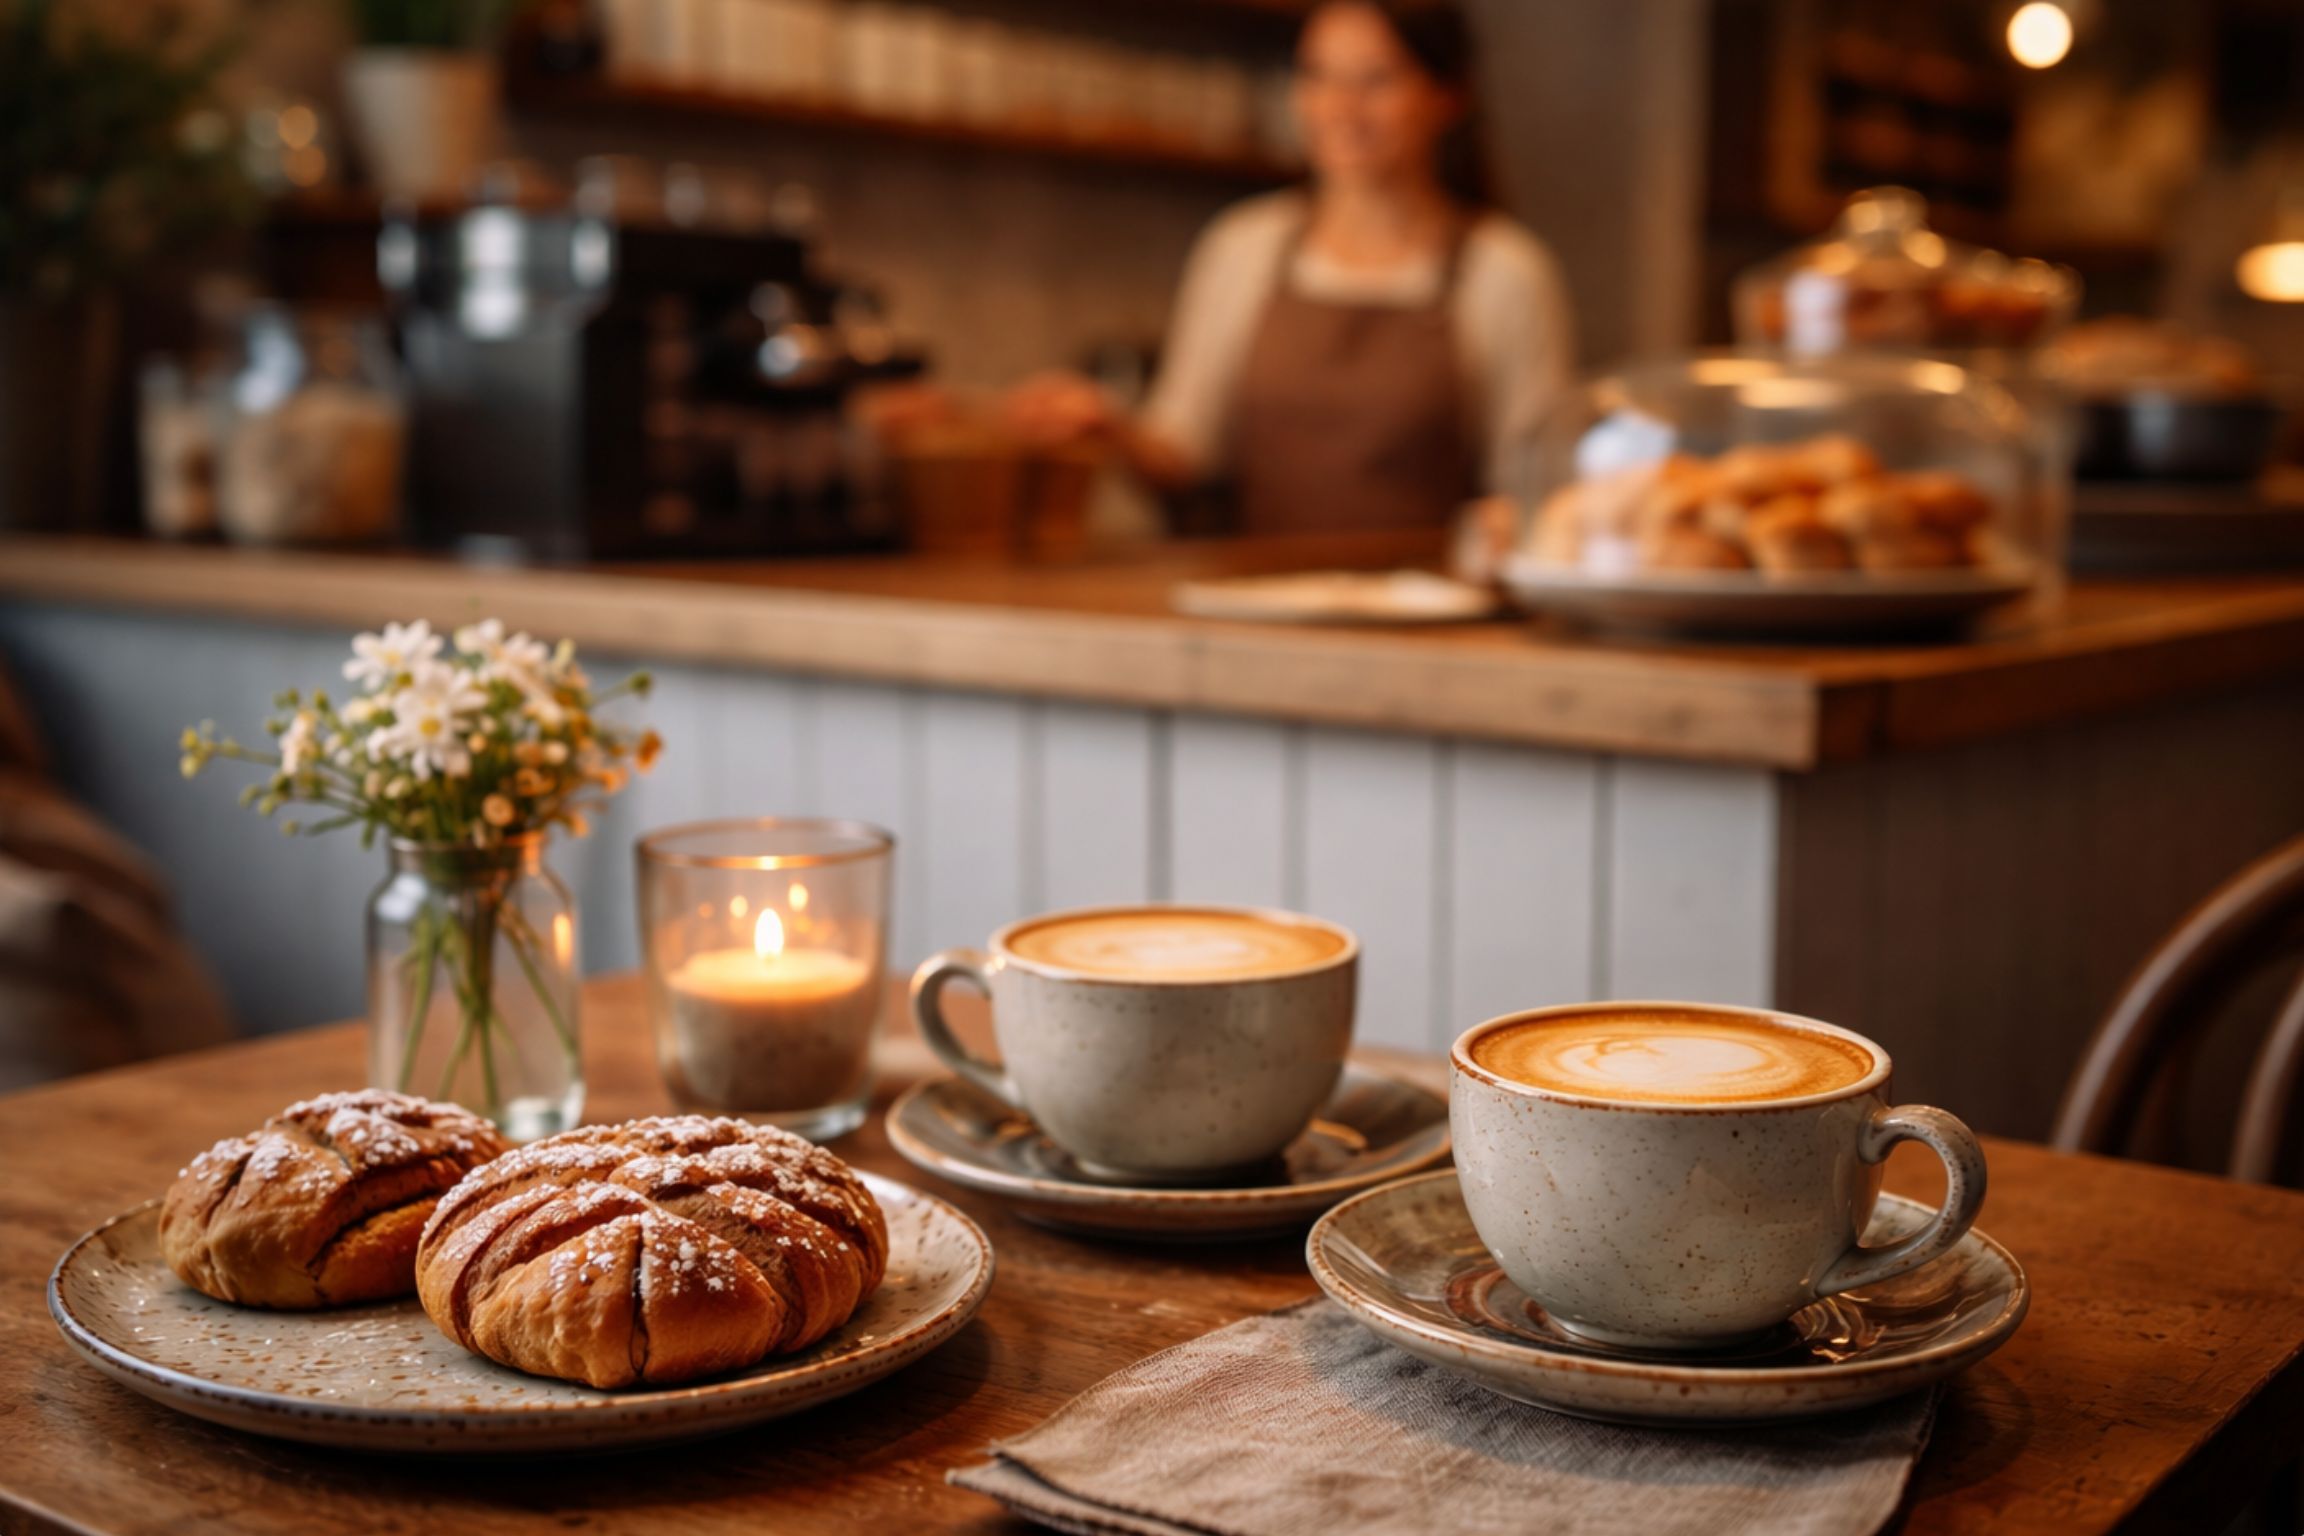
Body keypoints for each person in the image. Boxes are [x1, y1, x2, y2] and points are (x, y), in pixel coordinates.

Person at [1004, 0, 1574, 536]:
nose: (1339, 107)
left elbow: (1533, 489)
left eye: (1376, 79)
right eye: (1317, 76)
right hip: (1254, 606)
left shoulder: (1506, 272)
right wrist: (1108, 427)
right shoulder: (1244, 246)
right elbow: (1187, 451)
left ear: (1448, 96)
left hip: (1430, 620)